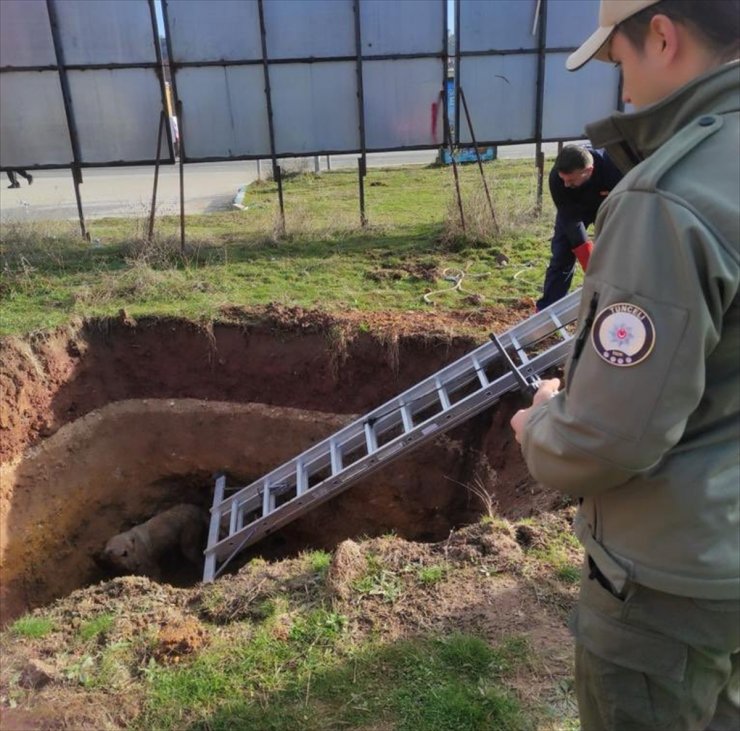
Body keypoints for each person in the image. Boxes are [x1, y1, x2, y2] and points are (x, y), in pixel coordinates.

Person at [510, 1, 739, 729]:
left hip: (674, 583)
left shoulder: (669, 197)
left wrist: (539, 422)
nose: (625, 94)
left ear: (663, 35)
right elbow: (571, 235)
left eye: (621, 63)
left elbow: (605, 437)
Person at [537, 144, 622, 311]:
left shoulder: (613, 168)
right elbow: (570, 222)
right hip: (574, 210)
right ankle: (547, 311)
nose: (566, 185)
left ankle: (617, 301)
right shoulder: (557, 179)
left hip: (609, 206)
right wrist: (588, 262)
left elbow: (626, 206)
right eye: (564, 180)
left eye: (571, 180)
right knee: (562, 255)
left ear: (588, 170)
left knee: (614, 253)